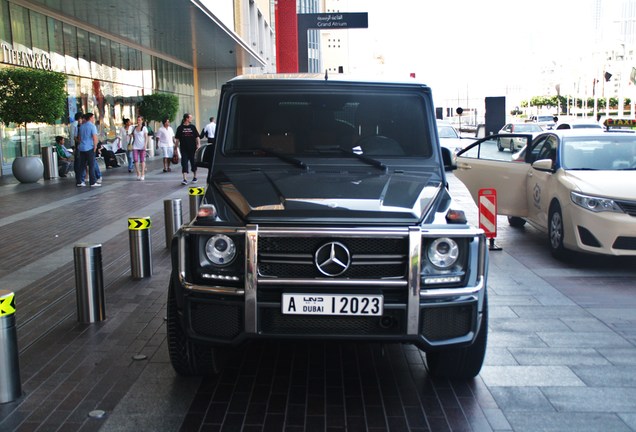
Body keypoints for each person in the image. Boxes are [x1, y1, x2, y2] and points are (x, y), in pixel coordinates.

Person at [175, 113, 200, 185]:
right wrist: (175, 148)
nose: (191, 119)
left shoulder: (192, 127)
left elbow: (197, 137)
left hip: (193, 149)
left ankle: (195, 177)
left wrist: (198, 144)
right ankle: (185, 179)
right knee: (184, 163)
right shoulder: (180, 128)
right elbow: (177, 139)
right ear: (187, 118)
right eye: (190, 117)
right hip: (184, 149)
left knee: (193, 162)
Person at [76, 113, 100, 187]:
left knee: (82, 165)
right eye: (93, 117)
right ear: (90, 118)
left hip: (82, 148)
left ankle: (80, 181)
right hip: (90, 148)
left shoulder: (82, 127)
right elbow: (95, 137)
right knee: (91, 165)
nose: (94, 119)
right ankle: (93, 182)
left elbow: (79, 138)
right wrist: (95, 146)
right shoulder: (92, 126)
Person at [131, 115, 148, 180]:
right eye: (137, 120)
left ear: (142, 121)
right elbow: (134, 137)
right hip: (135, 146)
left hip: (142, 146)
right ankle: (138, 172)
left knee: (142, 160)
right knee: (135, 159)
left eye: (139, 120)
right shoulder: (134, 128)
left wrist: (145, 145)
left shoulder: (144, 128)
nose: (138, 121)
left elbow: (146, 137)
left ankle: (143, 173)